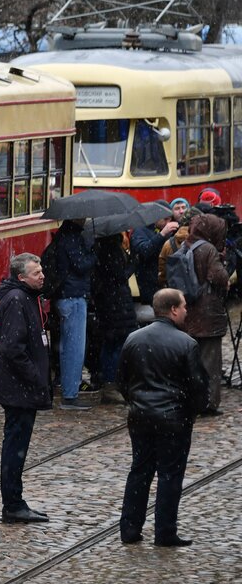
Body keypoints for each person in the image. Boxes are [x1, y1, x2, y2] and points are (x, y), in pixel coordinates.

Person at [118, 288, 209, 546]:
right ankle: (165, 531)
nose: (186, 311)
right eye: (184, 306)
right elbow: (198, 387)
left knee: (140, 471)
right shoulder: (186, 343)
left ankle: (130, 528)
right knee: (170, 475)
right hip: (174, 419)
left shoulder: (134, 338)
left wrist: (137, 402)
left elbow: (122, 380)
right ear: (173, 310)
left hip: (141, 417)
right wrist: (191, 411)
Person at [0, 253, 52, 524]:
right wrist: (36, 376)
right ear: (21, 277)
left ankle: (15, 502)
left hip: (20, 387)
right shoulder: (17, 300)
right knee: (15, 447)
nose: (42, 276)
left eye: (41, 271)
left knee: (17, 446)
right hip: (19, 389)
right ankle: (13, 504)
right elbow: (12, 348)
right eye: (36, 273)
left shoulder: (25, 297)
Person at [182, 213, 230, 415]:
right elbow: (220, 277)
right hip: (208, 313)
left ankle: (190, 398)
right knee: (210, 360)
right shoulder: (208, 249)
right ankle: (208, 403)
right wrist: (222, 260)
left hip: (189, 310)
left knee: (191, 360)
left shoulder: (186, 245)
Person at [52, 218, 96, 410]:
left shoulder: (63, 237)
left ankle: (68, 388)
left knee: (68, 347)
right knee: (74, 348)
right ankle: (70, 395)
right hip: (73, 296)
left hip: (66, 295)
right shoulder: (72, 239)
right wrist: (94, 254)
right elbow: (81, 265)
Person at [91, 232, 138, 404]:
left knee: (110, 343)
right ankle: (112, 383)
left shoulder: (100, 248)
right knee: (117, 344)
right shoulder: (111, 251)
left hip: (109, 303)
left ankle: (108, 381)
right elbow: (119, 276)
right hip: (117, 303)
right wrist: (133, 264)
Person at [131, 201, 178, 323]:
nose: (168, 223)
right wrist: (162, 234)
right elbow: (144, 251)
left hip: (162, 281)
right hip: (147, 284)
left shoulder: (167, 231)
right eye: (165, 219)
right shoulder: (140, 231)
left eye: (170, 219)